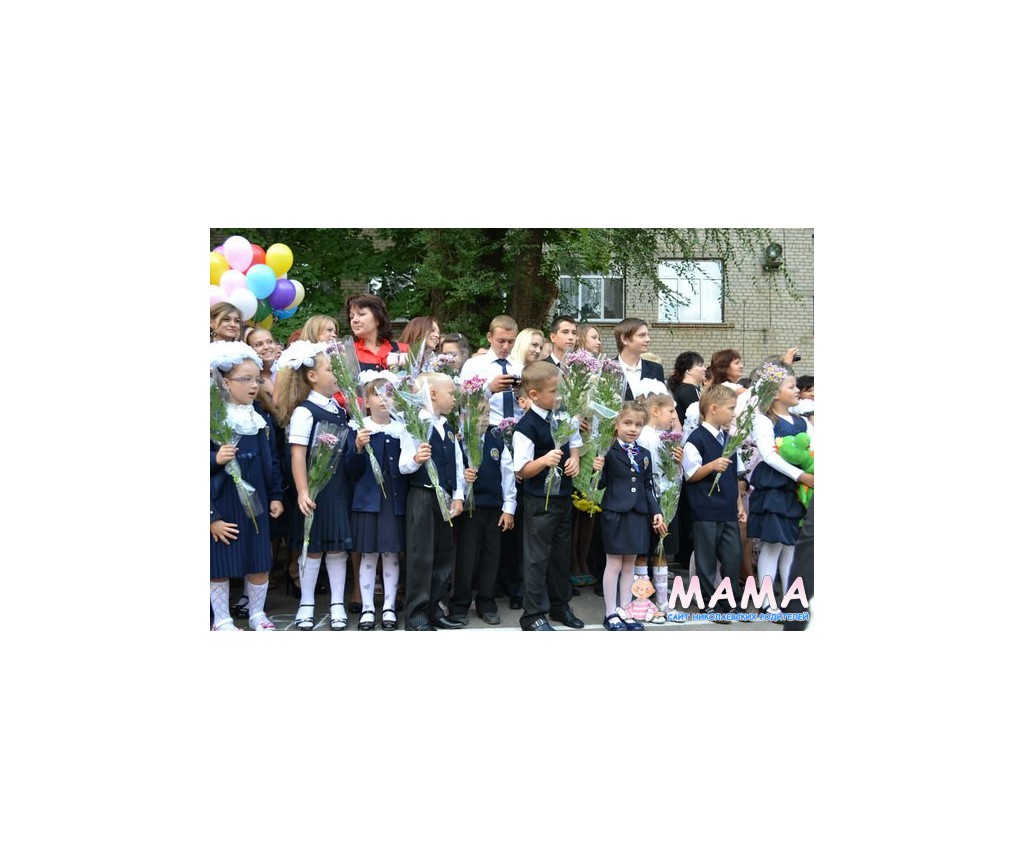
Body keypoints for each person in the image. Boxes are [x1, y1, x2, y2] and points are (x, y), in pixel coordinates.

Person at [275, 340, 354, 631]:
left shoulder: (339, 409)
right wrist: (303, 491)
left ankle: (337, 604)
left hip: (338, 488)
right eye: (330, 369)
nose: (335, 374)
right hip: (315, 491)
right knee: (313, 548)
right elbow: (297, 453)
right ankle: (306, 603)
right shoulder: (305, 411)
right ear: (312, 376)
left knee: (337, 549)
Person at [210, 342, 284, 631]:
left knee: (259, 560)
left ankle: (256, 614)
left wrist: (275, 495)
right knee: (220, 562)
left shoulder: (260, 420)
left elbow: (272, 461)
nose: (254, 385)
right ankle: (221, 619)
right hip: (223, 504)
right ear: (226, 382)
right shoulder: (213, 419)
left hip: (257, 503)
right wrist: (215, 459)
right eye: (246, 379)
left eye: (257, 379)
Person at [512, 361, 585, 630]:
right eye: (554, 391)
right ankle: (533, 614)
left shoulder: (562, 416)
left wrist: (574, 459)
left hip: (562, 496)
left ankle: (560, 605)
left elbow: (574, 443)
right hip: (539, 501)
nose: (559, 396)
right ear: (534, 395)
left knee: (561, 555)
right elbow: (522, 469)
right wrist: (543, 461)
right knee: (537, 558)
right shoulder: (526, 427)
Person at [398, 372, 466, 630]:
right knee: (421, 555)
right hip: (423, 495)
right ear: (433, 394)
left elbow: (457, 464)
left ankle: (436, 609)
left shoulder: (447, 427)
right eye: (451, 393)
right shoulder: (414, 424)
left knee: (443, 554)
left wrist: (458, 495)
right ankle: (416, 615)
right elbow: (403, 465)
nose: (454, 398)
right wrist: (416, 459)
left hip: (445, 498)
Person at [746, 364, 814, 616]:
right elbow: (768, 455)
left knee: (792, 545)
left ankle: (790, 598)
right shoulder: (763, 420)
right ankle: (766, 601)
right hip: (775, 487)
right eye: (791, 386)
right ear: (775, 393)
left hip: (797, 490)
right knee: (773, 543)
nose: (797, 390)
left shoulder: (802, 421)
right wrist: (801, 475)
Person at [592, 401, 666, 630]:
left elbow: (647, 485)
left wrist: (656, 511)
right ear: (616, 424)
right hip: (615, 513)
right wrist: (597, 469)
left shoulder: (644, 454)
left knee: (629, 566)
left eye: (638, 424)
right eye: (627, 423)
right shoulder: (607, 451)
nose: (633, 429)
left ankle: (625, 610)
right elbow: (599, 484)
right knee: (614, 564)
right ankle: (610, 613)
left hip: (637, 514)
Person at [681, 384, 751, 624]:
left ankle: (730, 601)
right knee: (707, 559)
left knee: (732, 557)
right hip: (706, 509)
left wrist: (738, 504)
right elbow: (690, 474)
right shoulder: (696, 439)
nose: (733, 413)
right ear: (713, 409)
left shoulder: (728, 438)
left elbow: (732, 477)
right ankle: (708, 602)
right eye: (730, 408)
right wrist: (711, 466)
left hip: (727, 508)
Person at [344, 372, 408, 631]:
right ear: (366, 402)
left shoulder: (401, 429)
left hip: (393, 503)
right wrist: (358, 448)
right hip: (367, 503)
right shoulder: (359, 429)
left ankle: (389, 607)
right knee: (368, 555)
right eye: (377, 395)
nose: (383, 400)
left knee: (391, 554)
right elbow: (350, 470)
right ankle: (368, 608)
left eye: (389, 395)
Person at [450, 424, 517, 626]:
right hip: (470, 508)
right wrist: (464, 480)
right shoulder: (459, 441)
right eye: (478, 413)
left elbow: (507, 475)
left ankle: (487, 600)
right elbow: (453, 471)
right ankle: (460, 603)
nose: (483, 418)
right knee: (466, 557)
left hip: (494, 509)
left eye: (486, 413)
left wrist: (509, 508)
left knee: (491, 556)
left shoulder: (496, 443)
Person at [634, 386, 682, 611]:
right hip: (650, 501)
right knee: (644, 552)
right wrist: (655, 506)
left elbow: (672, 474)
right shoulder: (644, 436)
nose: (673, 417)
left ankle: (662, 599)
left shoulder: (665, 437)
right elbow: (648, 474)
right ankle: (641, 598)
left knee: (661, 551)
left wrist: (678, 464)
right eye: (670, 411)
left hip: (666, 499)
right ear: (655, 411)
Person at [346, 293, 411, 371]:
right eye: (352, 317)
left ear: (378, 319)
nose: (354, 320)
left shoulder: (403, 349)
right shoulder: (346, 353)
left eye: (361, 314)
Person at [614, 318, 665, 401]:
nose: (648, 339)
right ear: (624, 339)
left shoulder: (655, 369)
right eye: (642, 335)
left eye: (648, 335)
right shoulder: (607, 370)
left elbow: (661, 403)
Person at [669, 351, 706, 428]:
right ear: (688, 370)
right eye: (700, 366)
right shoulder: (687, 390)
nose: (705, 369)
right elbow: (698, 417)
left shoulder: (690, 388)